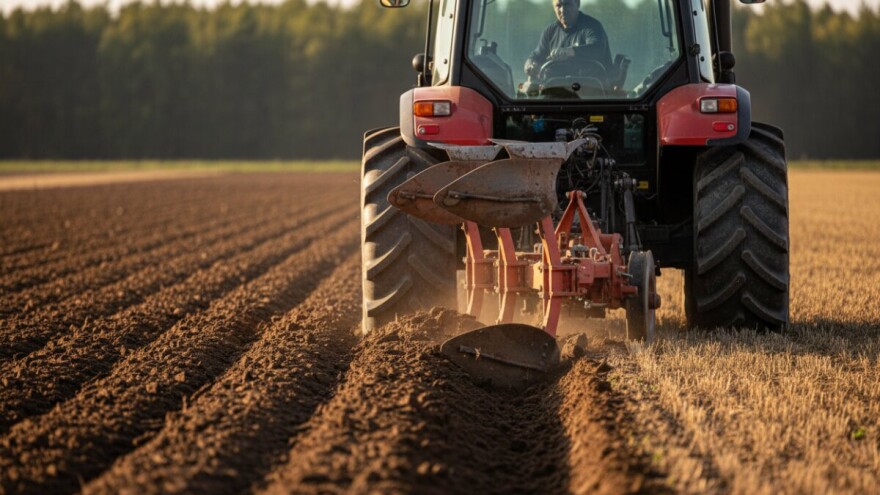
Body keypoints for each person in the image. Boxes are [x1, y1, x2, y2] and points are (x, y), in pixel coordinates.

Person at [524, 0, 613, 78]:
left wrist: (570, 51)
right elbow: (534, 57)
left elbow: (598, 49)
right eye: (558, 6)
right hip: (555, 88)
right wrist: (531, 66)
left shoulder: (592, 26)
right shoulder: (550, 32)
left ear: (577, 3)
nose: (562, 10)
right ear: (553, 7)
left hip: (591, 87)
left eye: (567, 4)